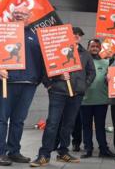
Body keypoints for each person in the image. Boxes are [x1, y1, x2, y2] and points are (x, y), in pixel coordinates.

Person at [30, 26, 95, 167]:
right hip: (58, 92)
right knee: (52, 124)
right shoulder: (57, 50)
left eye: (79, 34)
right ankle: (44, 155)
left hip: (76, 94)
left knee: (68, 125)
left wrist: (84, 86)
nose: (77, 36)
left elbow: (92, 72)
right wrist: (51, 83)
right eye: (74, 33)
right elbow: (46, 69)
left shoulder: (85, 54)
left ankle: (63, 152)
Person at [0, 6, 45, 166]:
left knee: (19, 120)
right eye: (16, 13)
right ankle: (0, 153)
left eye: (23, 13)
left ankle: (14, 151)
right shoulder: (3, 33)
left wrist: (41, 80)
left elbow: (44, 61)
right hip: (7, 82)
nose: (19, 15)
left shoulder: (37, 36)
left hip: (29, 84)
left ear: (30, 16)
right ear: (12, 16)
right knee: (2, 119)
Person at [80, 39, 115, 158]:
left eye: (97, 46)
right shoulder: (82, 62)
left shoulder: (106, 62)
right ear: (88, 47)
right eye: (92, 46)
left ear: (100, 48)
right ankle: (88, 149)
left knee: (100, 126)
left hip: (101, 100)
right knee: (86, 126)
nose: (94, 48)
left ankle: (103, 149)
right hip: (85, 100)